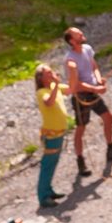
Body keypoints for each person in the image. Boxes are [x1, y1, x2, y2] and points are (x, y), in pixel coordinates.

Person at [62, 27, 112, 177]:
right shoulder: (70, 61)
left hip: (93, 92)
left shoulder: (87, 49)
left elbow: (94, 66)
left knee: (109, 117)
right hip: (81, 97)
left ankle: (111, 149)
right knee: (81, 128)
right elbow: (75, 84)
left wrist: (98, 80)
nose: (81, 34)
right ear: (72, 40)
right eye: (78, 34)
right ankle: (80, 161)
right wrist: (95, 88)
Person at [33, 64, 71, 208]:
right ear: (41, 78)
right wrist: (56, 85)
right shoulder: (42, 92)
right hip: (51, 134)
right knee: (47, 164)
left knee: (53, 163)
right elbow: (49, 102)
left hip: (59, 132)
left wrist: (72, 72)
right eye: (48, 73)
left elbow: (71, 89)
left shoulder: (56, 88)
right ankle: (43, 196)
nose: (52, 74)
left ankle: (48, 190)